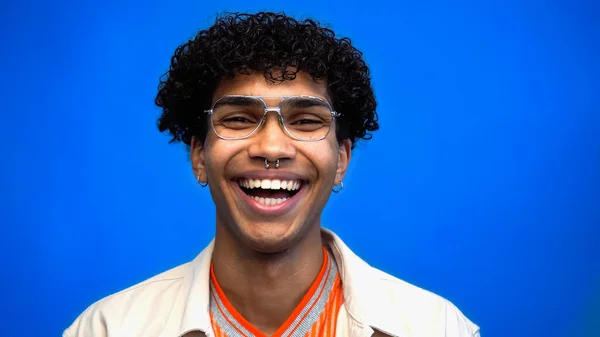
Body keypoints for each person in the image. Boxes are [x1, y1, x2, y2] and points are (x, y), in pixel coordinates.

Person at [63, 11, 480, 337]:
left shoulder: (436, 327)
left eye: (306, 120)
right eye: (240, 118)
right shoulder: (106, 328)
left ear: (341, 160)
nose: (272, 148)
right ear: (198, 156)